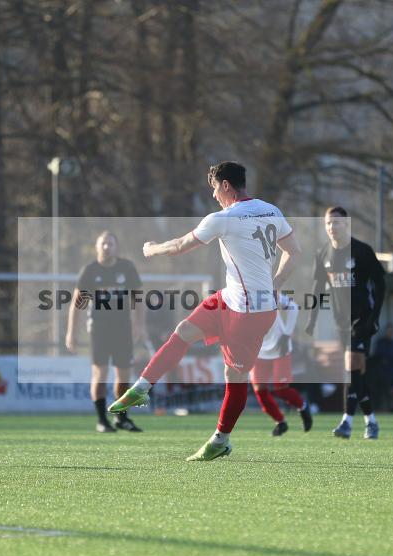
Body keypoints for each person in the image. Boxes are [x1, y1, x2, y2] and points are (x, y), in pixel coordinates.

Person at [108, 161, 302, 461]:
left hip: (249, 315)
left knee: (234, 376)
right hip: (232, 299)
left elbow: (180, 246)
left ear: (226, 186)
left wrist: (151, 249)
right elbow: (295, 253)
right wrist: (273, 285)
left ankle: (221, 439)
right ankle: (143, 386)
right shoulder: (272, 210)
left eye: (214, 188)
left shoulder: (224, 218)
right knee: (184, 330)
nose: (213, 196)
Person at [306, 206, 386, 440]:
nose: (332, 227)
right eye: (328, 223)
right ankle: (371, 422)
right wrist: (311, 319)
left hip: (362, 321)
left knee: (350, 372)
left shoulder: (361, 251)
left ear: (346, 225)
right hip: (341, 322)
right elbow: (318, 288)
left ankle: (346, 422)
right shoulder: (323, 255)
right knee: (357, 375)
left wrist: (374, 318)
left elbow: (380, 285)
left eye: (337, 223)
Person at [67, 231, 146, 433]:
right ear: (96, 247)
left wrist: (139, 325)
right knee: (100, 373)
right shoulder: (90, 271)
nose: (106, 247)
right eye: (103, 243)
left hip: (122, 328)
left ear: (116, 247)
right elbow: (77, 305)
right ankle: (102, 420)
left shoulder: (126, 268)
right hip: (99, 329)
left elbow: (138, 299)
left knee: (124, 374)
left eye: (110, 243)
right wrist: (71, 332)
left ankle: (122, 418)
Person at [249, 292, 312, 436]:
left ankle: (303, 406)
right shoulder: (237, 296)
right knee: (260, 391)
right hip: (259, 351)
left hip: (279, 347)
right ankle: (280, 422)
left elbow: (293, 307)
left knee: (280, 389)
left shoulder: (267, 293)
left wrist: (286, 334)